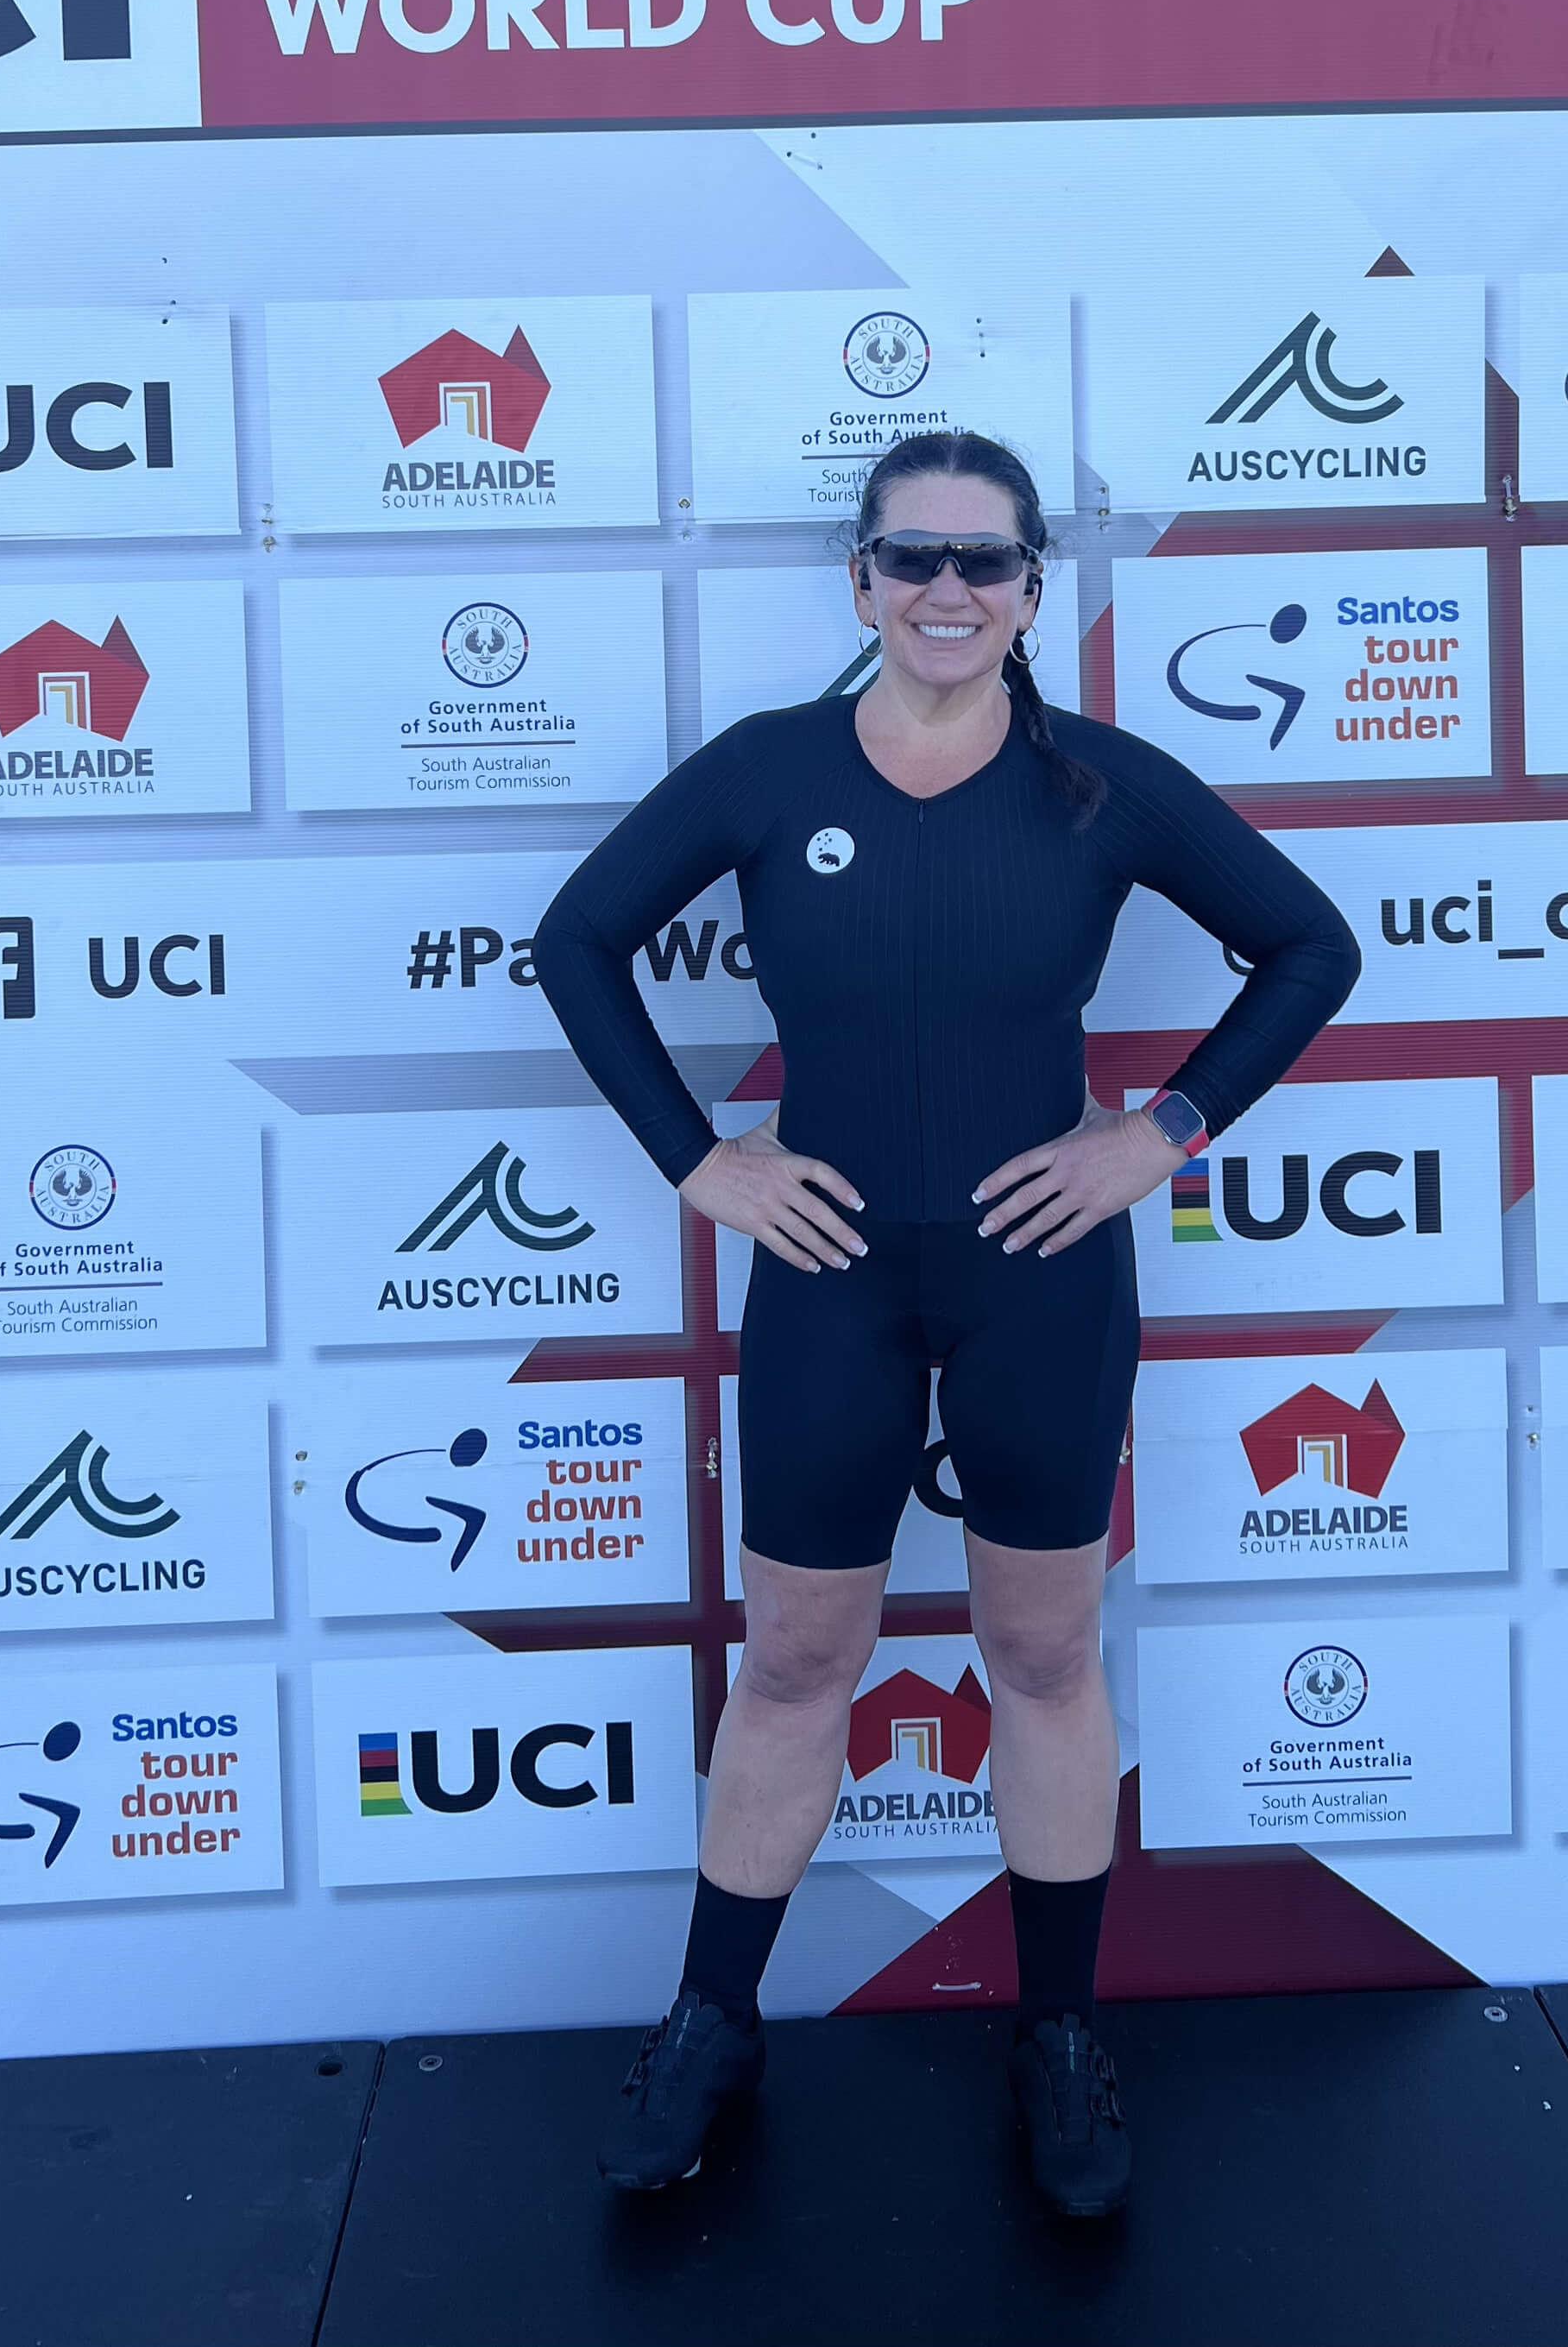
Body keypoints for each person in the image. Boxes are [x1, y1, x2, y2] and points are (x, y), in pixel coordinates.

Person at [533, 429, 1360, 2215]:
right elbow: (576, 940)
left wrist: (1157, 1134)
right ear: (858, 583)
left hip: (1035, 1280)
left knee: (1045, 1664)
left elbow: (1307, 946)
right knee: (791, 1667)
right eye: (910, 558)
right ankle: (711, 2023)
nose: (943, 591)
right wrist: (698, 1160)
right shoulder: (765, 773)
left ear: (1027, 593)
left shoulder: (1096, 788)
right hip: (826, 1272)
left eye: (981, 563)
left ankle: (1057, 2033)